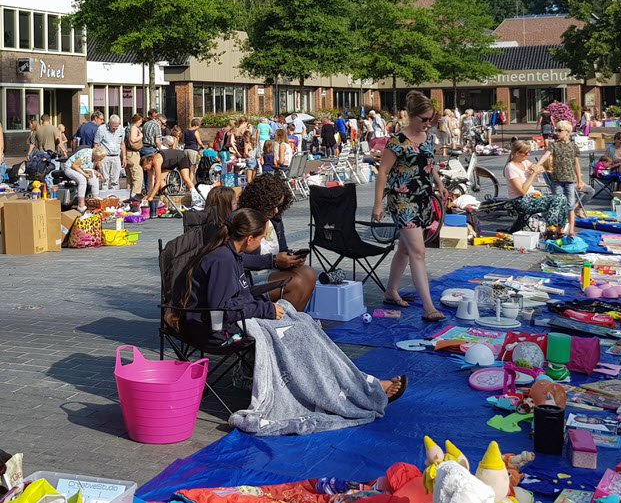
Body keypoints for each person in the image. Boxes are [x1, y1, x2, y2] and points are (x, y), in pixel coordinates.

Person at [172, 208, 407, 435]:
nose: (262, 243)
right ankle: (353, 390)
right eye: (262, 238)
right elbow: (221, 310)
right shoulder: (223, 261)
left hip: (239, 318)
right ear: (249, 239)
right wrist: (265, 309)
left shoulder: (229, 253)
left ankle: (361, 385)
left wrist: (275, 263)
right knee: (303, 334)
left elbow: (244, 271)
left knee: (308, 327)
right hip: (221, 331)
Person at [372, 90, 449, 322]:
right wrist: (378, 204)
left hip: (423, 198)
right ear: (411, 116)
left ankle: (390, 291)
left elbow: (430, 164)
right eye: (423, 119)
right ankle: (429, 307)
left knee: (405, 249)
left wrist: (439, 184)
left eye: (430, 119)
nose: (428, 124)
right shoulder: (397, 141)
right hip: (402, 200)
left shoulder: (428, 138)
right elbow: (383, 172)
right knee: (418, 251)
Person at [237, 174, 317, 311]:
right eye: (272, 206)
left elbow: (283, 248)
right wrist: (273, 261)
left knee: (309, 273)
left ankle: (296, 321)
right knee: (296, 283)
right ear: (261, 203)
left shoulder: (275, 220)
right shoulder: (244, 220)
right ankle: (288, 324)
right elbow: (235, 258)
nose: (276, 211)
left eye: (279, 206)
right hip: (249, 279)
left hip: (273, 271)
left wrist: (291, 258)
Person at [504, 141, 568, 234]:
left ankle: (560, 228)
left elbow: (538, 167)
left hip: (532, 196)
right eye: (526, 153)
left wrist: (536, 167)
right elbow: (522, 191)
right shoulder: (510, 168)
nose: (528, 155)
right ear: (517, 153)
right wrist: (534, 174)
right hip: (521, 201)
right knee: (556, 200)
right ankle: (551, 228)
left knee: (562, 197)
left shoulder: (524, 162)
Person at [545, 120, 584, 236]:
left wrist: (579, 180)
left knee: (570, 206)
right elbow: (546, 155)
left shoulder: (573, 146)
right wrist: (538, 165)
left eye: (559, 130)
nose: (557, 133)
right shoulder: (554, 145)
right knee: (558, 205)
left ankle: (571, 230)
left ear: (567, 132)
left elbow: (576, 163)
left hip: (570, 179)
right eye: (556, 130)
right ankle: (560, 228)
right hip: (557, 179)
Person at [64, 145, 108, 213]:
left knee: (94, 177)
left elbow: (88, 167)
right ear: (97, 156)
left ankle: (95, 199)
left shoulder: (94, 157)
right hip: (70, 168)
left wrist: (96, 172)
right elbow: (74, 166)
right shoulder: (86, 154)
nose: (101, 159)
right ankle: (81, 204)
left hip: (81, 169)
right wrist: (85, 174)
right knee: (82, 180)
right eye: (101, 158)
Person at [93, 114, 126, 190]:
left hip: (116, 156)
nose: (115, 129)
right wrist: (98, 160)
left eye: (117, 126)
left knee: (116, 180)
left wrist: (124, 157)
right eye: (114, 127)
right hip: (105, 157)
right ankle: (105, 198)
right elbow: (96, 144)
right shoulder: (101, 129)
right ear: (109, 123)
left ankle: (115, 198)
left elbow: (122, 144)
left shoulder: (121, 129)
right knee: (105, 179)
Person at [125, 113, 145, 198]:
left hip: (128, 153)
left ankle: (128, 195)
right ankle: (135, 196)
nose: (141, 123)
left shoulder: (128, 127)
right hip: (133, 153)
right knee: (137, 175)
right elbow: (133, 140)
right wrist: (140, 136)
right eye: (140, 121)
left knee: (130, 176)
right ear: (137, 120)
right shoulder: (133, 128)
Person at [183, 118, 204, 182]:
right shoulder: (196, 132)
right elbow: (199, 142)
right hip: (193, 150)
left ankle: (185, 182)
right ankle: (190, 184)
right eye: (199, 125)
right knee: (192, 168)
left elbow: (184, 140)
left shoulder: (186, 131)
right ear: (196, 124)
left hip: (185, 150)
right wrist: (203, 146)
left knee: (186, 168)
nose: (199, 127)